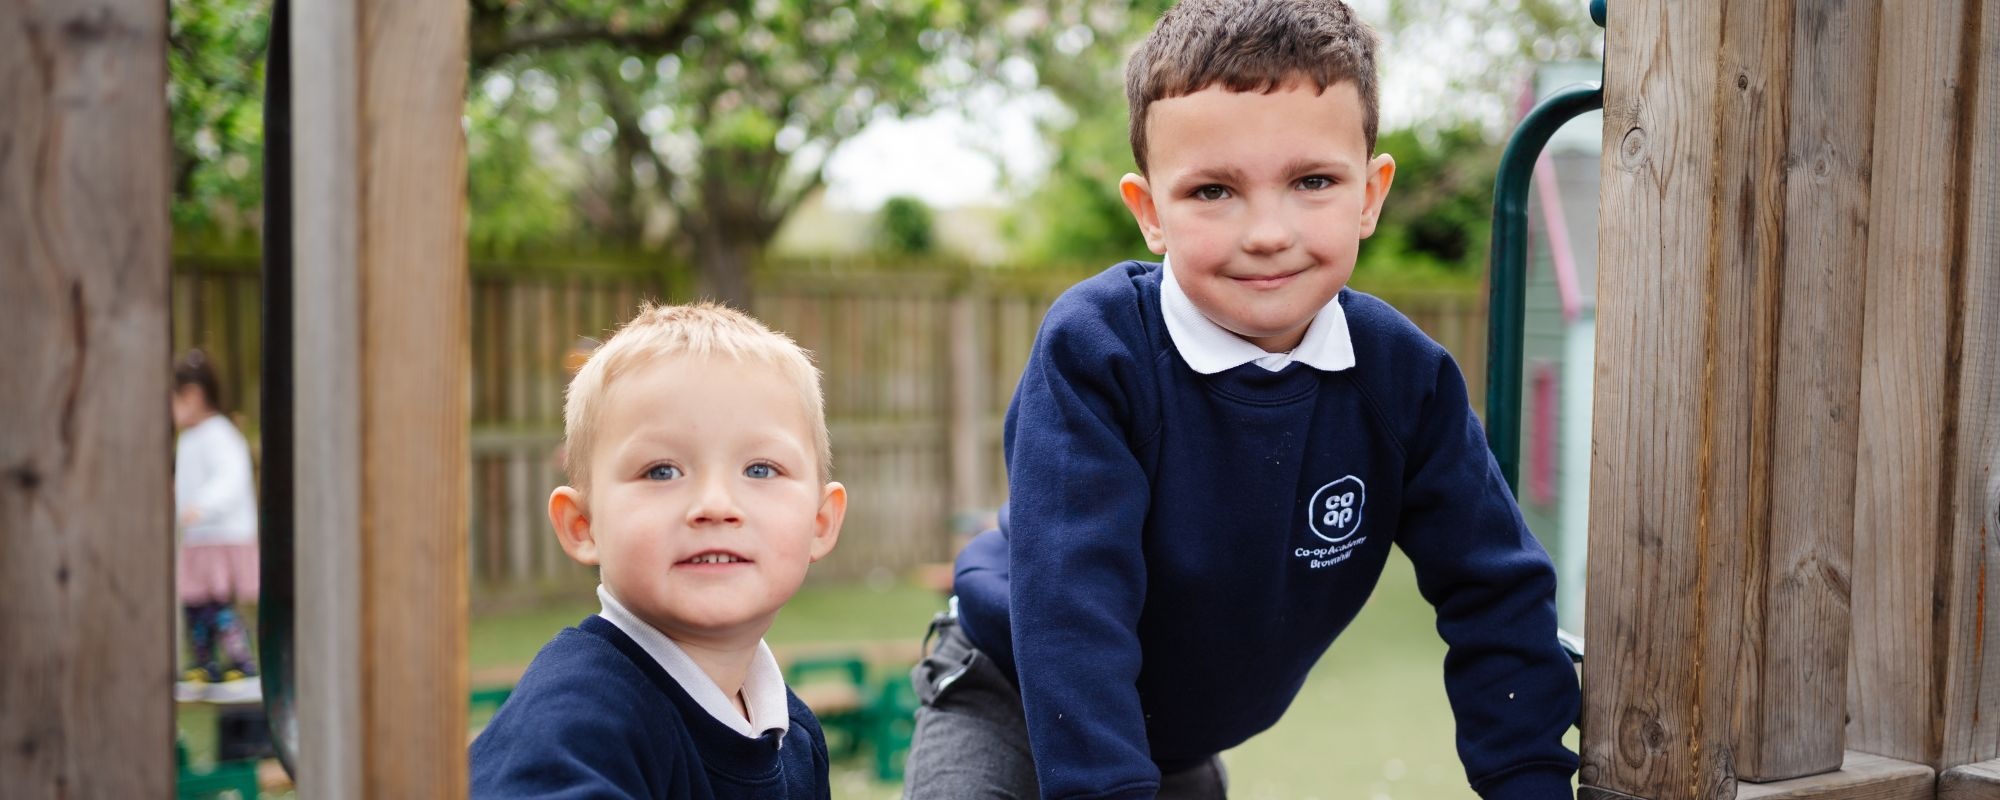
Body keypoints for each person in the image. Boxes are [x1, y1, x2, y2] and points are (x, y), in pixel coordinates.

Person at [900, 1, 1581, 797]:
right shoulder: (1098, 352)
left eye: (1313, 181)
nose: (1266, 231)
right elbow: (1072, 619)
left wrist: (1528, 779)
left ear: (1370, 192)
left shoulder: (1403, 378)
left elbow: (1494, 588)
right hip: (1015, 695)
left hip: (1177, 741)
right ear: (1150, 211)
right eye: (1215, 191)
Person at [471, 302, 847, 799]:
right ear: (582, 525)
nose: (715, 505)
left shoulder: (793, 735)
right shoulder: (574, 729)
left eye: (760, 469)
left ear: (821, 522)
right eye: (661, 471)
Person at [172, 349, 262, 704]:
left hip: (221, 534)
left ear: (193, 396)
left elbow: (230, 479)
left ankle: (240, 661)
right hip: (198, 538)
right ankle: (203, 662)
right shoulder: (190, 439)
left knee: (218, 605)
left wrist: (202, 506)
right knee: (195, 604)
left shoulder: (221, 435)